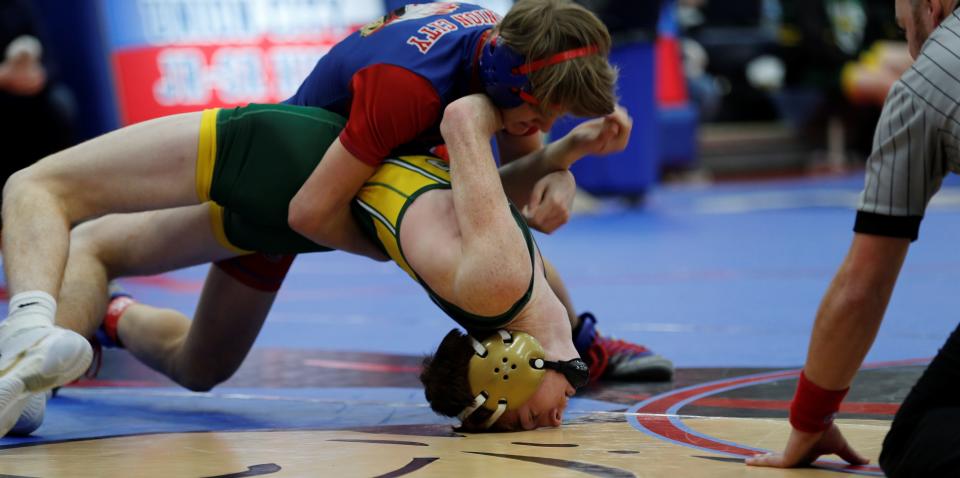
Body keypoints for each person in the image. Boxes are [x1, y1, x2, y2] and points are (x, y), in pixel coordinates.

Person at [0, 0, 673, 435]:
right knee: (70, 214)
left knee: (201, 366)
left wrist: (561, 159)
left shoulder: (495, 52)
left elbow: (507, 191)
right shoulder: (412, 89)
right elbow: (309, 211)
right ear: (510, 81)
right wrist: (391, 244)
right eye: (542, 113)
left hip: (328, 181)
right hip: (286, 183)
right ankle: (38, 333)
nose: (541, 126)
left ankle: (101, 317)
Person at [746, 0, 960, 475]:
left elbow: (862, 288)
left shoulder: (925, 84)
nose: (909, 42)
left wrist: (810, 419)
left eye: (906, 23)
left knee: (917, 438)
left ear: (935, 6)